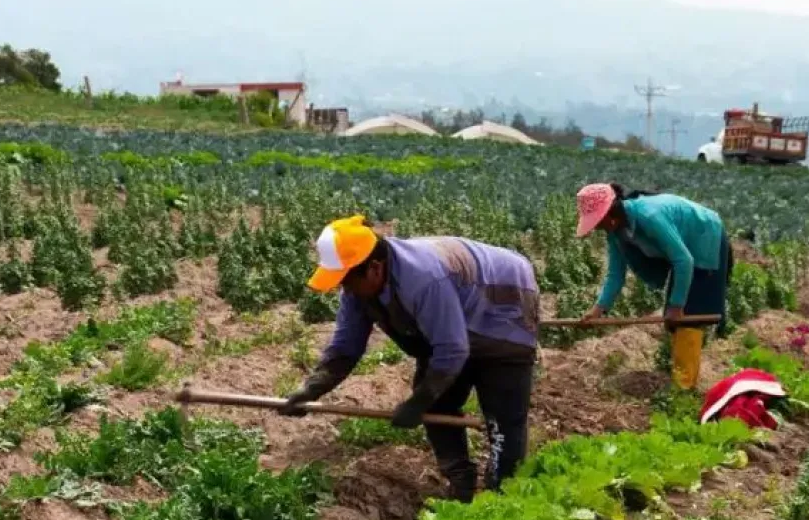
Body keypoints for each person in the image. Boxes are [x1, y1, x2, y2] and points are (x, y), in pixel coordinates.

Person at [280, 215, 540, 503]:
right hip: (455, 309)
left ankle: (504, 492)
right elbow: (346, 346)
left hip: (504, 300)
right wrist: (313, 388)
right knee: (439, 402)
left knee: (502, 415)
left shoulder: (424, 278)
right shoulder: (358, 288)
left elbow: (452, 349)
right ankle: (461, 482)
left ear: (374, 268)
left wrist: (418, 401)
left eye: (347, 281)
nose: (345, 290)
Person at [575, 183, 733, 390]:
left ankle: (683, 388)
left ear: (610, 212)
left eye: (597, 221)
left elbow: (684, 260)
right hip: (683, 251)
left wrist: (677, 306)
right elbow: (615, 274)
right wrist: (598, 309)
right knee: (675, 320)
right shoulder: (616, 232)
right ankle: (680, 377)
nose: (596, 227)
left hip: (704, 236)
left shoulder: (649, 217)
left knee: (687, 317)